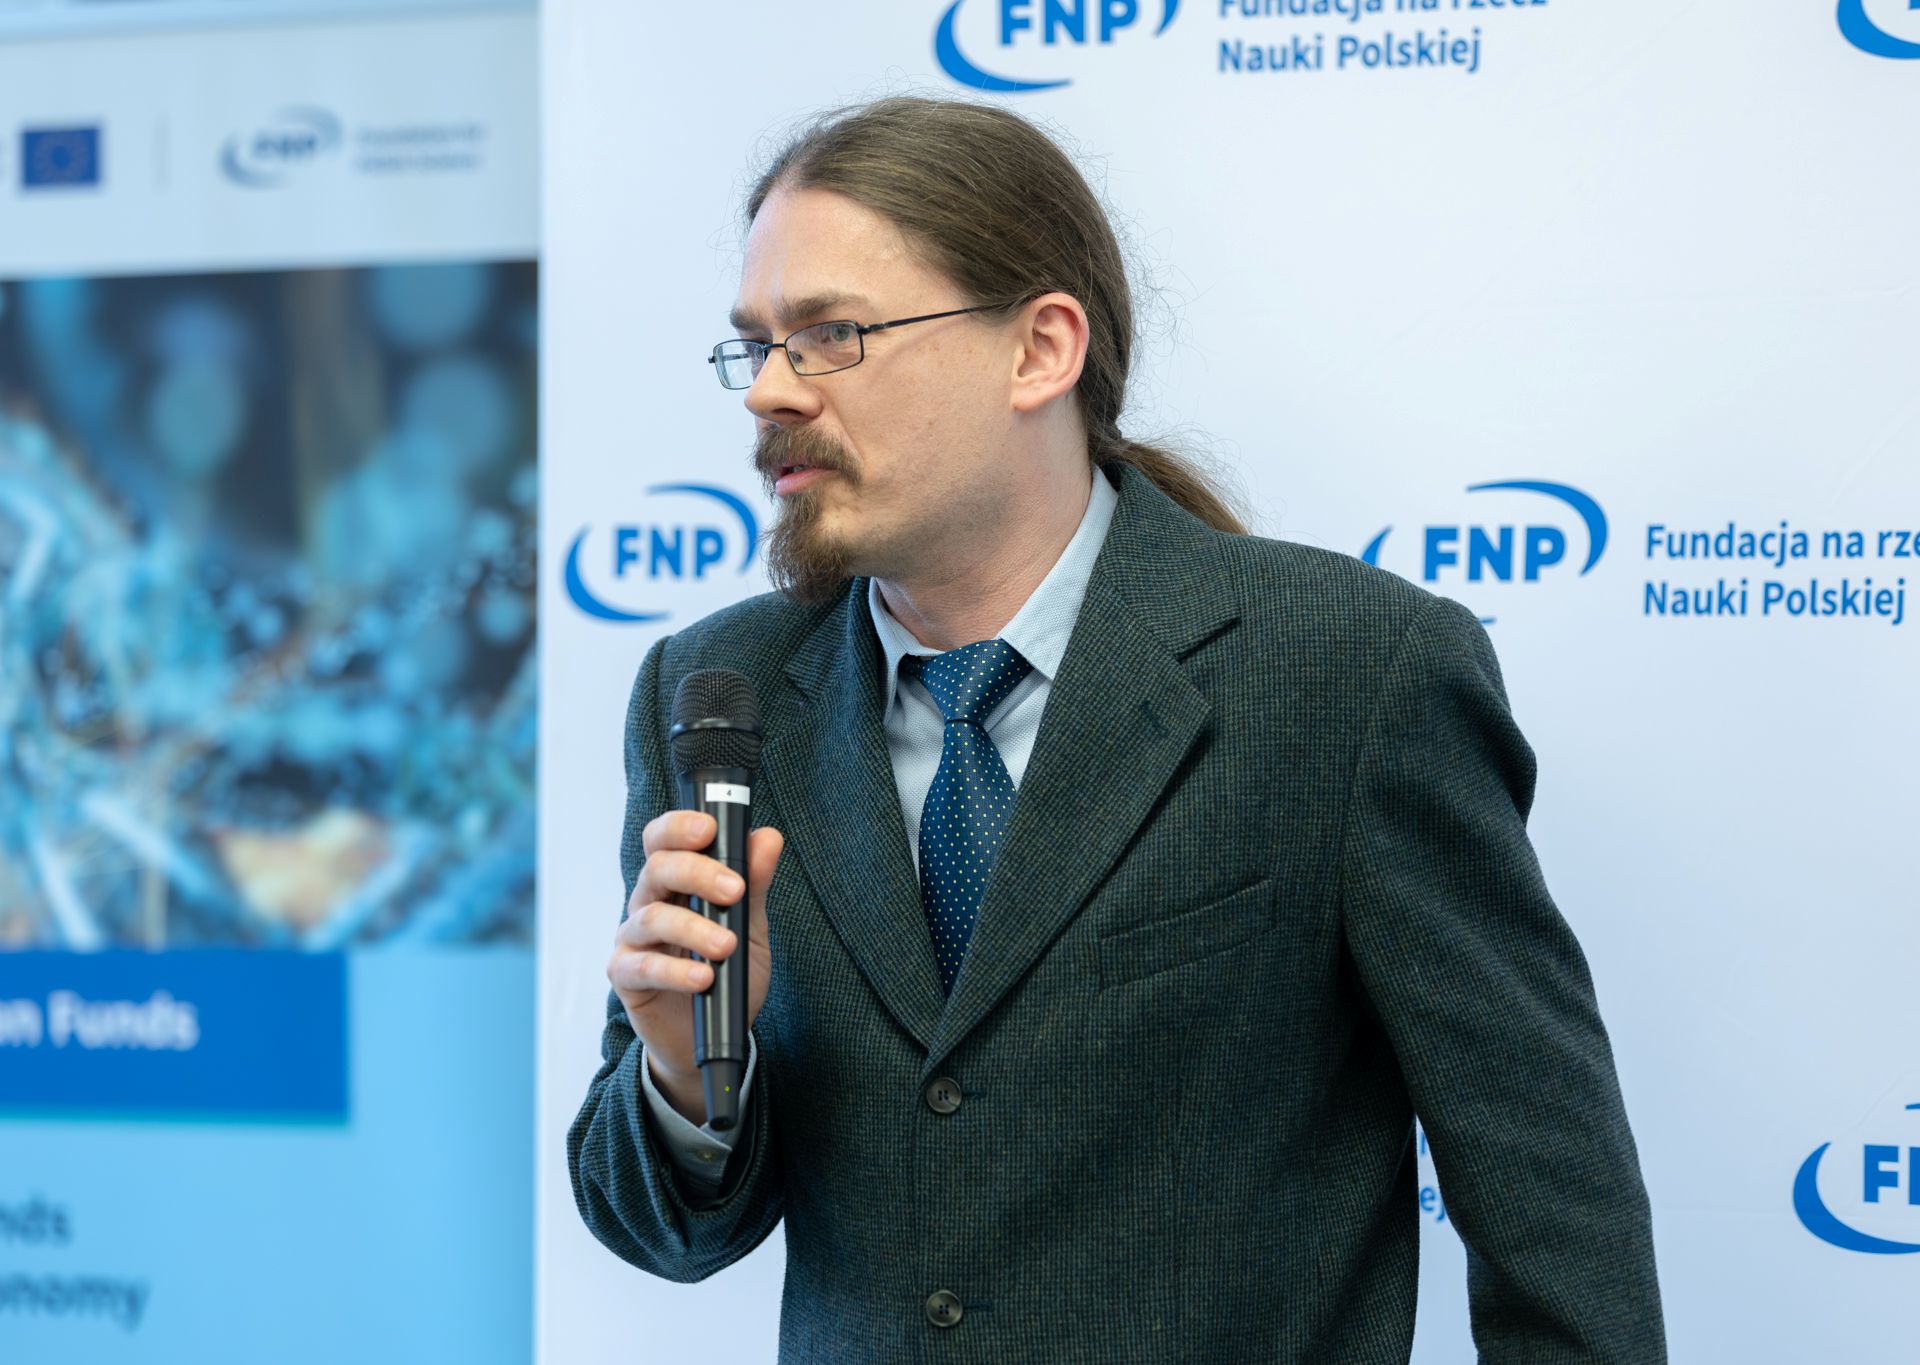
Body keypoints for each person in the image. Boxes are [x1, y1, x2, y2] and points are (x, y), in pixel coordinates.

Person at [569, 96, 1666, 1362]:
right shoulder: (716, 692)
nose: (769, 390)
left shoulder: (1347, 673)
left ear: (1038, 350)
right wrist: (683, 1075)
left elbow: (1551, 1204)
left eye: (830, 336)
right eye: (755, 345)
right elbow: (662, 1234)